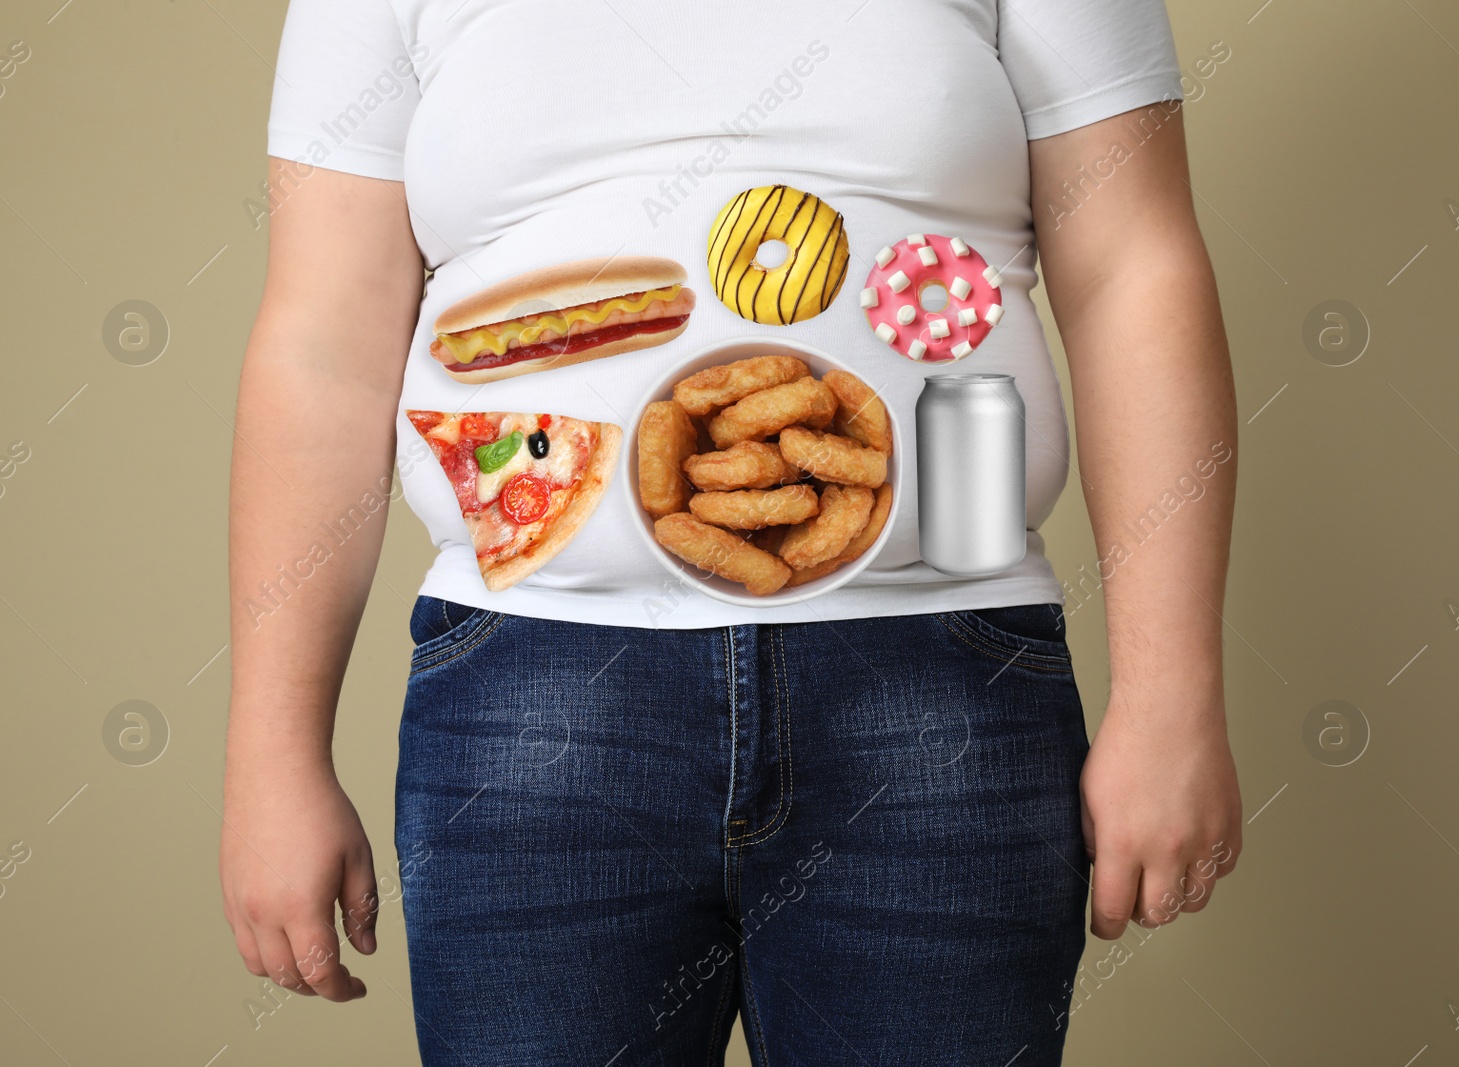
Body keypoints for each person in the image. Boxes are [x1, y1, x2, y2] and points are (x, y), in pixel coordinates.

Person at [218, 1, 1242, 1063]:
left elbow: (1134, 271)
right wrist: (271, 756)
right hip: (536, 701)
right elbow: (323, 343)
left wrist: (1171, 701)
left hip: (942, 684)